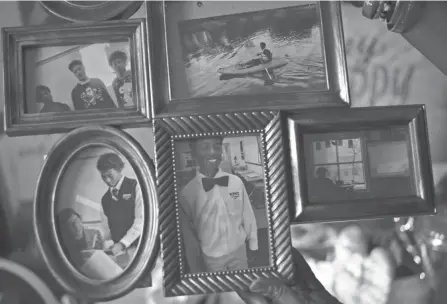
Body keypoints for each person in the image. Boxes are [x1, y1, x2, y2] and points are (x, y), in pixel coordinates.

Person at [179, 136, 258, 273]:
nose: (212, 152)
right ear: (194, 153)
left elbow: (248, 214)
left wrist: (253, 245)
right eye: (204, 147)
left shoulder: (236, 182)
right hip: (211, 257)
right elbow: (189, 233)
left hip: (239, 249)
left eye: (216, 147)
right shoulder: (187, 193)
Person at [96, 152, 143, 257]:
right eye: (103, 177)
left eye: (110, 175)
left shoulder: (136, 187)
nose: (107, 180)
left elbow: (141, 221)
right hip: (119, 252)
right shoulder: (105, 199)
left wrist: (123, 243)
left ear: (119, 169)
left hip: (140, 247)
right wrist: (104, 241)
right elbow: (106, 227)